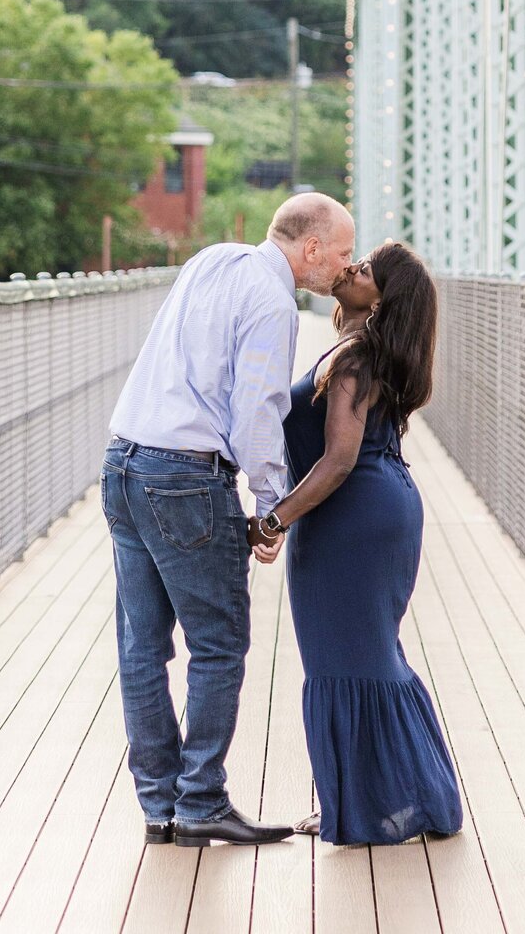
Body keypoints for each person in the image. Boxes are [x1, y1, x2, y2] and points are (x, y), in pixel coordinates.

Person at [100, 193, 355, 849]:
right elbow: (255, 417)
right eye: (345, 253)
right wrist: (273, 511)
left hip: (124, 462)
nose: (347, 267)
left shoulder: (212, 260)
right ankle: (202, 801)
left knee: (143, 647)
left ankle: (162, 806)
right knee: (218, 642)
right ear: (313, 249)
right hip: (184, 477)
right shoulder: (274, 303)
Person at [261, 240, 463, 846]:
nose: (352, 267)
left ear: (383, 297)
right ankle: (393, 799)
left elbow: (339, 459)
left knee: (346, 660)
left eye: (366, 268)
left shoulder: (356, 360)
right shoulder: (359, 349)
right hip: (375, 509)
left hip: (351, 514)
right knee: (368, 656)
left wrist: (274, 520)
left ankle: (366, 806)